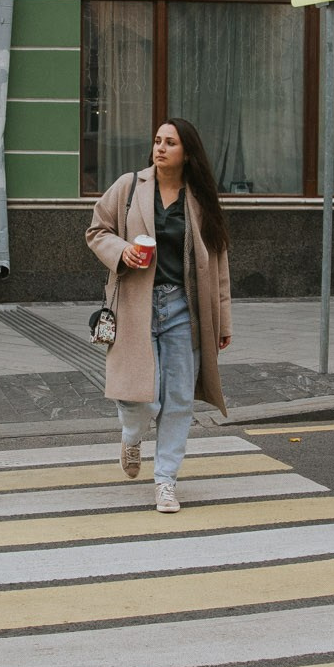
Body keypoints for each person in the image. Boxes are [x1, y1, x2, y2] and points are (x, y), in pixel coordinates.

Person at [85, 118, 233, 514]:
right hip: (136, 306)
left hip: (184, 309)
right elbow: (97, 230)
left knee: (180, 399)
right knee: (139, 397)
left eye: (170, 142)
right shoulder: (130, 186)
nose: (161, 147)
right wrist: (122, 251)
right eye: (157, 141)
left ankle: (165, 482)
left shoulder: (199, 199)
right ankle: (131, 437)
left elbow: (218, 262)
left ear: (187, 152)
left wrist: (224, 320)